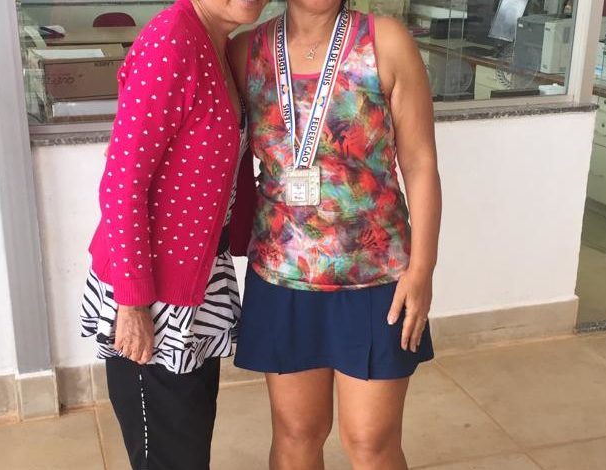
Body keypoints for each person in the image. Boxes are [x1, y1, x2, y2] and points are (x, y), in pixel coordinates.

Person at [228, 0, 441, 468]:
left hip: (376, 278)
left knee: (370, 441)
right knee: (296, 434)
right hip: (282, 277)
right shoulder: (245, 51)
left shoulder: (385, 42)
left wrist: (422, 270)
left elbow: (420, 162)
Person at [78, 0, 266, 468]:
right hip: (151, 293)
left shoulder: (216, 44)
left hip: (198, 284)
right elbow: (122, 182)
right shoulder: (172, 41)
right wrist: (133, 302)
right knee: (165, 454)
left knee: (188, 446)